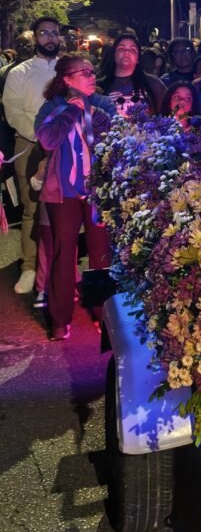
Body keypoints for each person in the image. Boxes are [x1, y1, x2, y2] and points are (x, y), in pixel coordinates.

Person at [35, 56, 114, 341]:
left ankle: (103, 313)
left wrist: (89, 109)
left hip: (96, 189)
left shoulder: (102, 103)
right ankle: (59, 318)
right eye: (85, 73)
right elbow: (46, 139)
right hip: (64, 192)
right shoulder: (53, 106)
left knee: (100, 252)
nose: (93, 77)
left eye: (94, 72)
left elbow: (113, 134)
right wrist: (70, 112)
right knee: (62, 251)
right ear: (67, 79)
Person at [2, 17, 60, 294]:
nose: (49, 38)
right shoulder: (19, 73)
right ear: (35, 37)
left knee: (63, 207)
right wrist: (41, 135)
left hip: (64, 146)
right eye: (43, 33)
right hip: (29, 145)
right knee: (31, 207)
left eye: (54, 33)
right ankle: (29, 266)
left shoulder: (67, 69)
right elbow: (13, 112)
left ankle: (60, 264)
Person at [97, 32, 165, 115]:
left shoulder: (153, 84)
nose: (126, 52)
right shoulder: (99, 86)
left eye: (132, 49)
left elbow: (169, 111)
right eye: (121, 49)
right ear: (114, 55)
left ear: (138, 59)